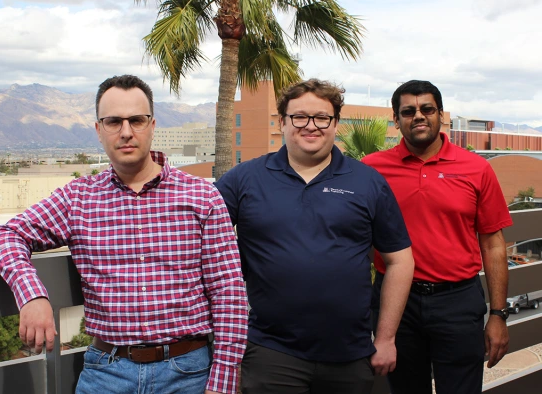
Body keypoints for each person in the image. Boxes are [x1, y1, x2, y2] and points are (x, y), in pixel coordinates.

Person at [0, 74, 248, 394]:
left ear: (152, 125)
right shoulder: (78, 197)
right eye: (113, 121)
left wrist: (222, 381)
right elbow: (5, 235)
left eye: (137, 120)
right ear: (99, 130)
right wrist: (32, 295)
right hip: (106, 374)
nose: (126, 131)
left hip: (188, 373)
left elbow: (229, 294)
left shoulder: (201, 196)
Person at [215, 78, 414, 394]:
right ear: (282, 122)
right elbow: (198, 235)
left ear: (335, 123)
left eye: (322, 117)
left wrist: (386, 338)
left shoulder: (367, 182)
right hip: (271, 351)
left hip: (351, 352)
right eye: (299, 117)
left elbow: (400, 260)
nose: (311, 126)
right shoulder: (244, 179)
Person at [362, 80, 512, 394]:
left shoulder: (476, 168)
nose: (418, 116)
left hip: (457, 302)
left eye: (427, 109)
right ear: (396, 119)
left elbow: (493, 243)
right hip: (395, 304)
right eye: (408, 111)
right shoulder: (371, 170)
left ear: (440, 115)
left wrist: (498, 314)